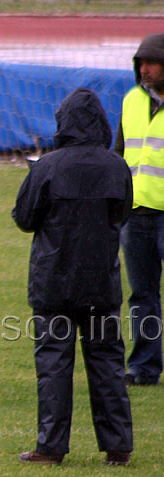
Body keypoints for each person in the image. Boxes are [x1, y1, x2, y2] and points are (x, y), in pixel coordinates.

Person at [12, 88, 133, 465]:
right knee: (108, 365)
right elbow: (122, 215)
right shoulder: (116, 166)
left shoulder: (48, 167)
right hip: (101, 282)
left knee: (53, 366)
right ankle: (118, 446)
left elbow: (24, 218)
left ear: (63, 123)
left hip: (53, 283)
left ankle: (50, 447)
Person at [114, 33, 164, 387]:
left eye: (150, 62)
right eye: (139, 63)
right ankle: (144, 368)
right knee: (141, 295)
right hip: (135, 216)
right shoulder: (131, 100)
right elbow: (117, 155)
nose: (143, 69)